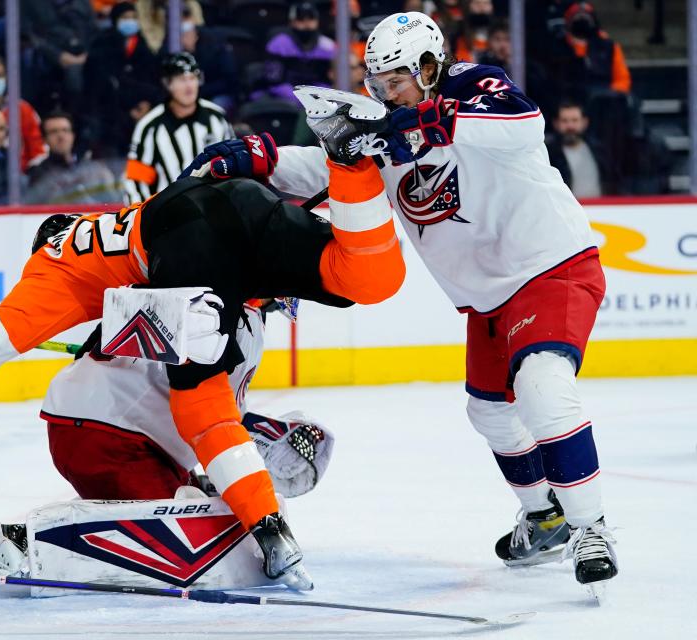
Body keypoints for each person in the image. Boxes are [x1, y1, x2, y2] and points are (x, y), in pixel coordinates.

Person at [183, 11, 618, 595]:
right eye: (377, 84)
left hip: (551, 266)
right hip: (488, 299)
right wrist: (261, 156)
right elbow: (334, 171)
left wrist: (419, 124)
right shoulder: (390, 126)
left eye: (396, 82)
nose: (384, 95)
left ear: (430, 67)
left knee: (541, 384)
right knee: (489, 412)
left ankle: (593, 528)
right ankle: (545, 516)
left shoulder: (476, 87)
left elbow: (521, 124)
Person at [0, 132, 407, 591]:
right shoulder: (179, 281)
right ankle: (41, 541)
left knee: (217, 505)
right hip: (106, 432)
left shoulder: (154, 273)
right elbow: (200, 403)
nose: (284, 304)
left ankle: (158, 516)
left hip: (110, 429)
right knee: (214, 536)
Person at [0, 291, 335, 587]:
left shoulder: (198, 283)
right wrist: (265, 439)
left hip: (92, 425)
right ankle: (25, 540)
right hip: (113, 436)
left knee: (201, 502)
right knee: (185, 535)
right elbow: (215, 421)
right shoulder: (241, 323)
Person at [123, 52, 233, 203]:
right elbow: (136, 180)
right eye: (181, 79)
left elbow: (234, 165)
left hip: (213, 210)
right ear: (168, 84)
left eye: (192, 78)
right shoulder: (150, 126)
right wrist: (144, 219)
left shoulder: (217, 118)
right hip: (168, 216)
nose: (189, 86)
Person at [83, 1, 160, 157]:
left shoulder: (145, 46)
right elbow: (100, 83)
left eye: (133, 17)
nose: (130, 21)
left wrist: (146, 104)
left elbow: (154, 78)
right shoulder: (101, 45)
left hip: (145, 108)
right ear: (115, 20)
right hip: (111, 112)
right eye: (125, 17)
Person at [261, 2, 335, 103]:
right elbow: (274, 82)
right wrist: (299, 98)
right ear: (292, 22)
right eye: (301, 19)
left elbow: (328, 81)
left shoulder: (327, 46)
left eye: (311, 19)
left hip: (318, 98)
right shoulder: (279, 44)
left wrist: (316, 98)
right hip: (285, 97)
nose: (306, 23)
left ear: (317, 21)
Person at [545, 100, 612, 198]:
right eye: (564, 121)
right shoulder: (548, 155)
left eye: (575, 120)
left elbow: (611, 182)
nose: (570, 126)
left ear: (585, 122)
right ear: (556, 123)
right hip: (565, 210)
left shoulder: (599, 151)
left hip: (602, 209)